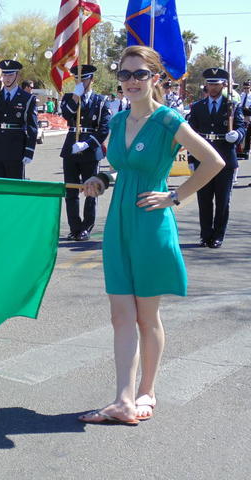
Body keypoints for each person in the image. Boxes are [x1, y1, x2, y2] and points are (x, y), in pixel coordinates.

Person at [78, 45, 224, 425]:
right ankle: (123, 400)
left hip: (151, 224)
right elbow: (115, 166)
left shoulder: (168, 120)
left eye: (140, 74)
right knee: (120, 316)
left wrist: (175, 196)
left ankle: (147, 391)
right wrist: (99, 178)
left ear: (155, 78)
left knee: (146, 316)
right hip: (118, 225)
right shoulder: (117, 120)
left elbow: (214, 161)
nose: (131, 81)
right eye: (125, 74)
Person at [187, 67, 245, 248]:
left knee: (222, 201)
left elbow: (242, 127)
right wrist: (190, 158)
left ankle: (218, 235)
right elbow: (190, 134)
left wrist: (237, 134)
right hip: (203, 159)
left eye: (216, 84)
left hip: (225, 157)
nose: (212, 88)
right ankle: (205, 234)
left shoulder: (232, 106)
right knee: (204, 199)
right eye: (210, 84)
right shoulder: (197, 107)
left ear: (224, 85)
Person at [59, 64, 111, 241]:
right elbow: (66, 115)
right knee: (71, 191)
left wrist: (87, 144)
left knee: (90, 190)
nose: (80, 81)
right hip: (71, 147)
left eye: (84, 78)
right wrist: (75, 96)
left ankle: (86, 227)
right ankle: (74, 227)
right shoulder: (69, 98)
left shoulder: (101, 101)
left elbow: (104, 129)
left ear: (92, 79)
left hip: (90, 150)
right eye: (77, 79)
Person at [0, 59, 38, 179]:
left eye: (10, 75)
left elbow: (32, 127)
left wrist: (29, 151)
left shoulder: (27, 98)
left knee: (15, 189)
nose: (7, 78)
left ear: (17, 75)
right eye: (4, 75)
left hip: (16, 149)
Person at [240, 80, 251, 160]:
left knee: (248, 134)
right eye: (245, 88)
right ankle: (240, 150)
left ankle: (246, 150)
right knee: (242, 133)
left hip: (249, 115)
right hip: (241, 115)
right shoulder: (241, 95)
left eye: (248, 88)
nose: (246, 89)